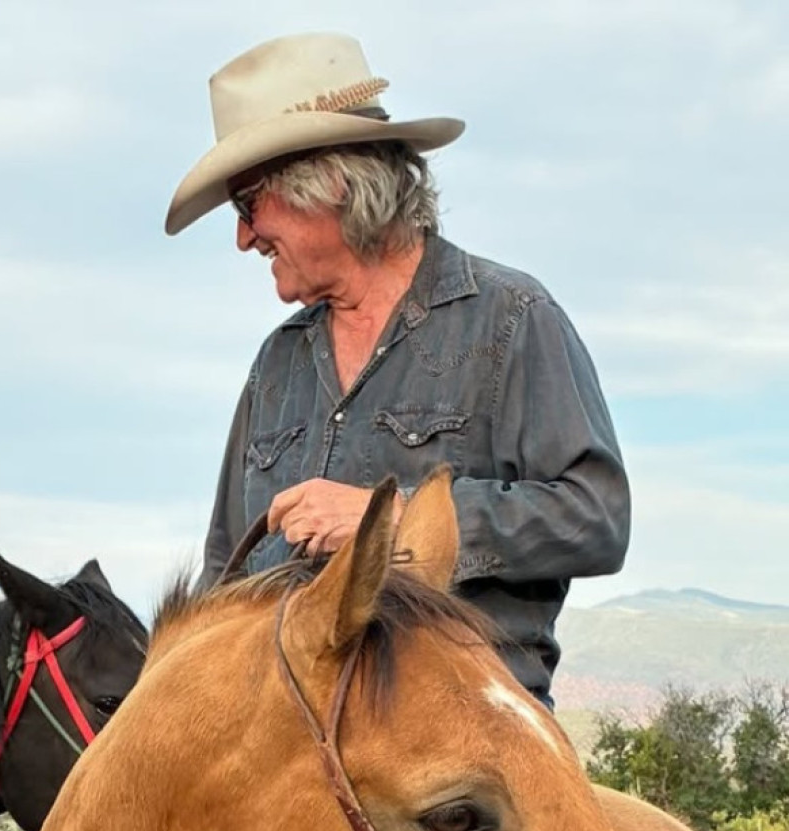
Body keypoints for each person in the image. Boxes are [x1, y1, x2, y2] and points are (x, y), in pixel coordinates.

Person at [165, 32, 630, 706]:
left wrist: (397, 522)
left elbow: (596, 516)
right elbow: (222, 569)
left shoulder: (511, 317)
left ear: (330, 185)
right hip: (286, 752)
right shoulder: (276, 364)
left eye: (247, 204)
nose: (243, 237)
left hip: (461, 746)